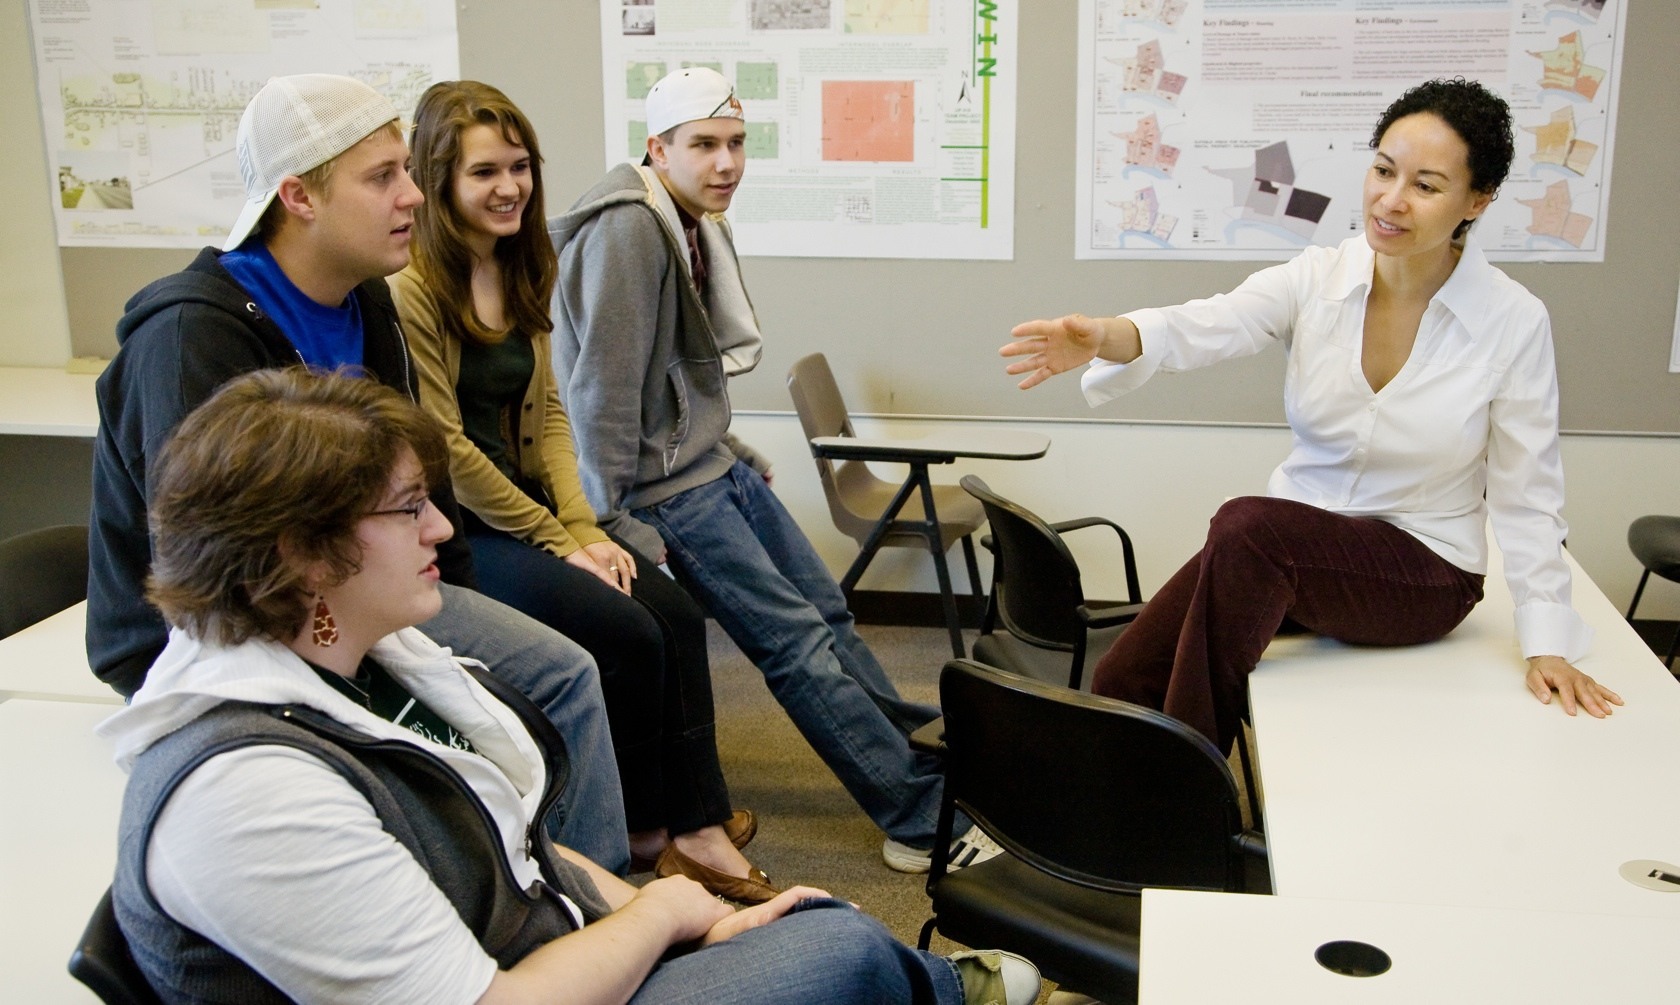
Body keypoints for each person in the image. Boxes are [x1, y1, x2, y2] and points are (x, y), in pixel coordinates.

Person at [99, 367, 1042, 1005]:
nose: (439, 529)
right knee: (831, 949)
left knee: (809, 927)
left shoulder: (372, 667)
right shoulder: (244, 793)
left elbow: (525, 847)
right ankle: (955, 990)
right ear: (301, 555)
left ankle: (947, 989)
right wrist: (669, 910)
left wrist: (666, 913)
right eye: (406, 508)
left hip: (541, 951)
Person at [85, 73, 631, 871]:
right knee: (491, 723)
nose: (413, 196)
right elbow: (207, 569)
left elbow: (423, 484)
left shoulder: (364, 301)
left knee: (560, 674)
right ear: (298, 196)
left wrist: (451, 609)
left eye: (406, 170)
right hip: (230, 634)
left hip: (350, 590)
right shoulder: (191, 338)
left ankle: (578, 899)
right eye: (383, 178)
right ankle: (556, 911)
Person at [1000, 77, 1622, 754]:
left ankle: (1182, 807)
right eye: (1383, 170)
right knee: (1125, 670)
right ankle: (1112, 819)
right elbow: (1205, 325)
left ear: (1477, 200)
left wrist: (1547, 642)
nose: (1391, 199)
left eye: (1426, 184)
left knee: (1248, 528)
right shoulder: (1317, 277)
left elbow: (1528, 493)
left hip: (1422, 568)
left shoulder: (1512, 320)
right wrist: (1105, 334)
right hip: (1291, 550)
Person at [549, 67, 990, 873]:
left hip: (712, 468)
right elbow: (601, 390)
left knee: (828, 614)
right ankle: (916, 818)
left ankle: (921, 758)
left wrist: (732, 448)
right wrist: (610, 515)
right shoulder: (627, 231)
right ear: (658, 148)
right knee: (795, 646)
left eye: (737, 144)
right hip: (667, 495)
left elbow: (677, 375)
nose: (726, 163)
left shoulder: (684, 220)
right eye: (704, 145)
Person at [392, 79, 770, 902]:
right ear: (439, 179)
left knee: (671, 610)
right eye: (483, 172)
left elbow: (553, 413)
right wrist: (559, 539)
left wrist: (582, 523)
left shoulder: (522, 261)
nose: (509, 188)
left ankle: (688, 820)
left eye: (520, 167)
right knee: (626, 632)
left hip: (535, 516)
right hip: (467, 530)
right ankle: (651, 828)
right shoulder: (414, 288)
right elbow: (447, 447)